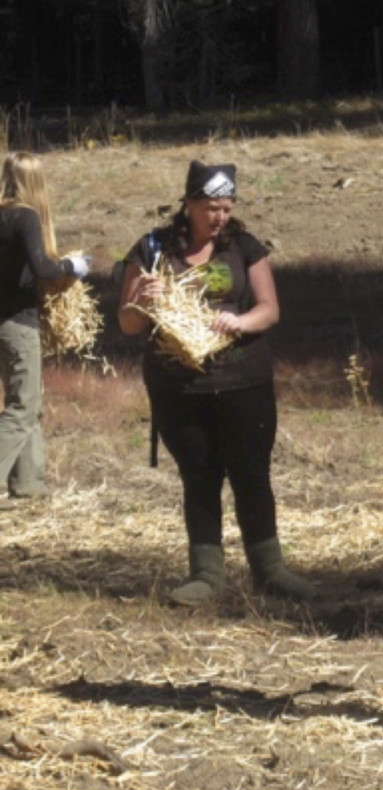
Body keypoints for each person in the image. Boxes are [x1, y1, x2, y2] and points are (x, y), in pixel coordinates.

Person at [118, 160, 314, 605]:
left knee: (252, 475)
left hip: (244, 381)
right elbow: (127, 324)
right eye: (211, 207)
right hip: (179, 388)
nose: (220, 216)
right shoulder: (152, 249)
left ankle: (271, 570)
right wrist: (141, 303)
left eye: (226, 207)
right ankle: (206, 574)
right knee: (199, 475)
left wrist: (239, 321)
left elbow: (269, 309)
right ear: (188, 204)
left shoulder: (244, 247)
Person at [0, 152, 89, 501]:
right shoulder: (25, 216)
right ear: (34, 181)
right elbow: (42, 268)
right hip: (19, 323)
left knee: (28, 402)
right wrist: (72, 265)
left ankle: (28, 486)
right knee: (22, 408)